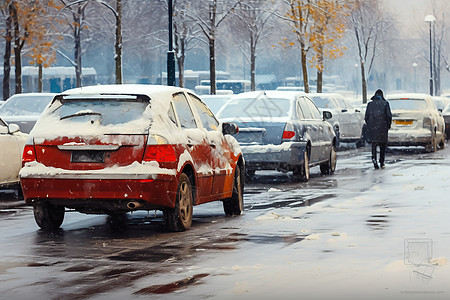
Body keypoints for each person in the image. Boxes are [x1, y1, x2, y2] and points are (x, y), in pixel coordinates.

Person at [365, 89, 392, 169]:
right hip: (383, 128)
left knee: (374, 145)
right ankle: (382, 161)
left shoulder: (370, 104)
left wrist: (370, 124)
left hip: (373, 128)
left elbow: (366, 117)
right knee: (382, 146)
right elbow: (389, 116)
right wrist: (388, 125)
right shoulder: (385, 103)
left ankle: (374, 160)